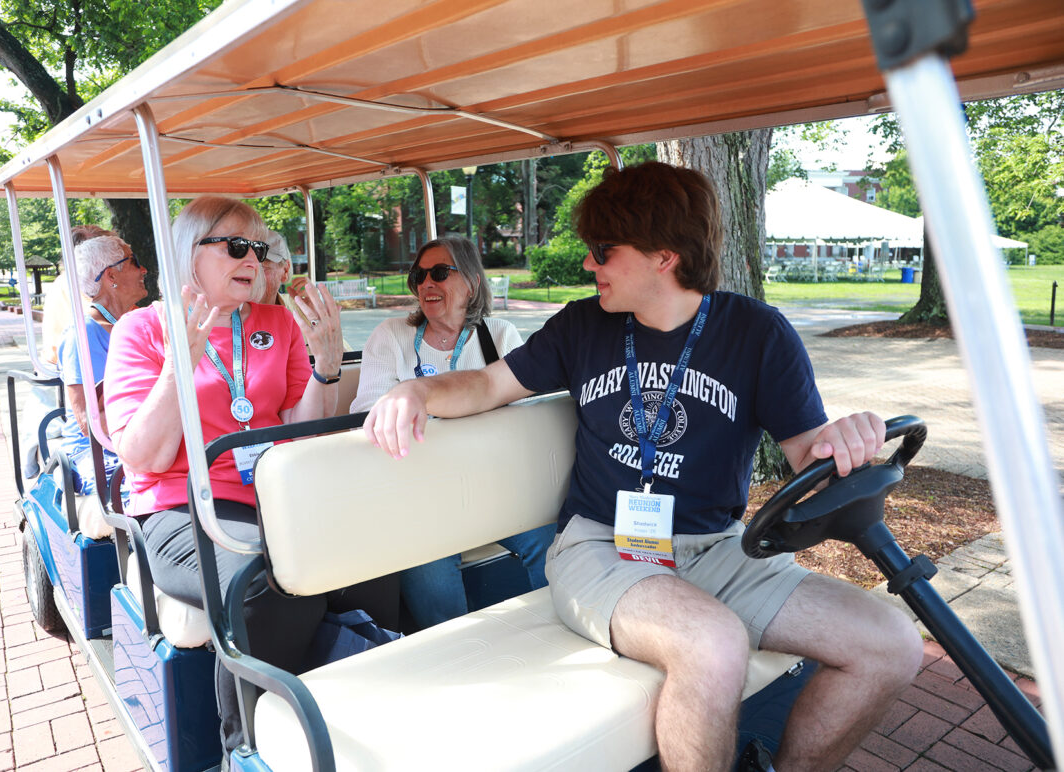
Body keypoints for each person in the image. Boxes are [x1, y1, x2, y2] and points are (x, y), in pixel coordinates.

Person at [362, 162, 923, 772]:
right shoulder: (583, 325)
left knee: (890, 645)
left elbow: (806, 454)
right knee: (712, 645)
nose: (587, 264)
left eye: (603, 250)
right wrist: (416, 394)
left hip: (717, 548)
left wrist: (844, 439)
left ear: (664, 254)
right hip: (599, 548)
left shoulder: (758, 334)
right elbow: (487, 384)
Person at [103, 196, 366, 758]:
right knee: (259, 588)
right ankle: (242, 748)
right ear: (188, 255)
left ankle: (357, 701)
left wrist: (325, 367)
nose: (253, 258)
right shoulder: (142, 329)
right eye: (236, 246)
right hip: (181, 506)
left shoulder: (277, 323)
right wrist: (179, 367)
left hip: (273, 495)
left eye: (259, 248)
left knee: (369, 560)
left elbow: (300, 431)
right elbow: (143, 456)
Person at [352, 236, 554, 628]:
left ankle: (556, 635)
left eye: (440, 273)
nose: (427, 283)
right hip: (420, 496)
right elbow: (366, 413)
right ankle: (459, 663)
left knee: (552, 545)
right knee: (433, 589)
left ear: (473, 283)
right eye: (419, 275)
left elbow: (527, 413)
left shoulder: (498, 335)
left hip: (494, 487)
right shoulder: (391, 336)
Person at [56, 235, 147, 498]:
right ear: (111, 276)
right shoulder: (82, 334)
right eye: (135, 262)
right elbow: (90, 424)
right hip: (99, 452)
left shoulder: (137, 322)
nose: (144, 270)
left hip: (143, 440)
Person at [42, 224, 114, 365]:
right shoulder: (83, 285)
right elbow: (105, 325)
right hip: (69, 369)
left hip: (69, 363)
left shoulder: (65, 280)